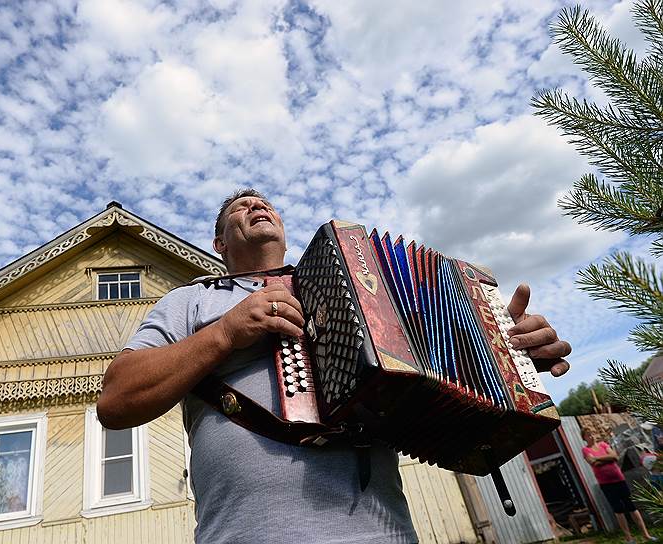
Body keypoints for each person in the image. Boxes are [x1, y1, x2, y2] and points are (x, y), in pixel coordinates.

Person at [97, 189, 573, 543]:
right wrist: (224, 332)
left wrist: (509, 354)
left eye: (263, 202)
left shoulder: (364, 293)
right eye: (238, 209)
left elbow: (448, 357)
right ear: (219, 241)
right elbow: (116, 401)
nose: (255, 206)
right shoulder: (193, 300)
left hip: (384, 533)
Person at [582, 430, 656, 543]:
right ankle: (629, 539)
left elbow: (615, 457)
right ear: (584, 438)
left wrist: (598, 458)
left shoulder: (603, 444)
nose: (592, 436)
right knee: (618, 510)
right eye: (588, 435)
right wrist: (607, 458)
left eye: (592, 433)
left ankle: (646, 535)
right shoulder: (586, 450)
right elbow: (592, 462)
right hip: (606, 483)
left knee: (631, 506)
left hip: (619, 479)